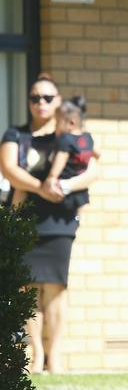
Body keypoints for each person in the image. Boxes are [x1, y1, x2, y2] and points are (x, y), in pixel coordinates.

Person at [0, 73, 99, 374]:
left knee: (56, 289)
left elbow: (94, 170)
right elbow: (9, 169)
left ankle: (55, 357)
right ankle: (36, 354)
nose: (40, 103)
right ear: (29, 102)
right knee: (27, 290)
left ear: (58, 102)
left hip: (60, 221)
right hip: (25, 220)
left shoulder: (72, 134)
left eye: (47, 98)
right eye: (35, 98)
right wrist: (41, 187)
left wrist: (65, 187)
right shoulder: (16, 135)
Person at [12, 95, 99, 210]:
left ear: (71, 123)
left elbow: (60, 160)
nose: (55, 127)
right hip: (77, 187)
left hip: (60, 180)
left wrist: (51, 178)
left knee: (21, 186)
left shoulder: (65, 139)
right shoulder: (88, 137)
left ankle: (13, 213)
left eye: (57, 122)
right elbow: (97, 154)